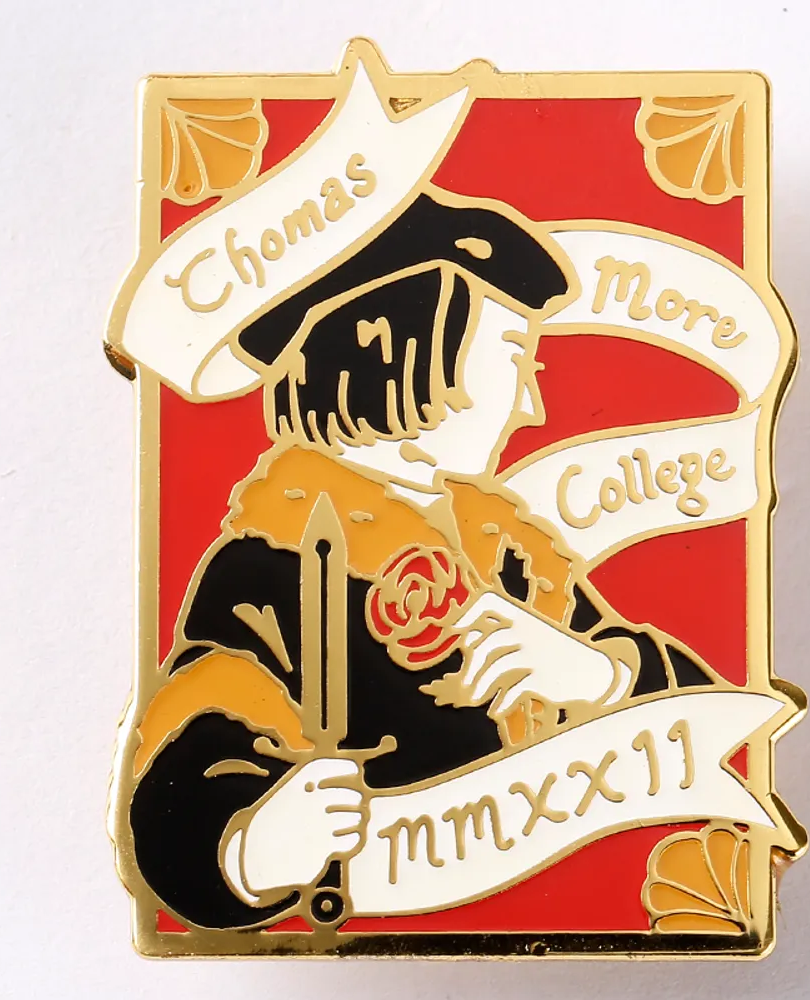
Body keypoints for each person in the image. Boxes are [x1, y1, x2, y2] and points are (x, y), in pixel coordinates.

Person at [128, 186, 717, 929]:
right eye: (514, 360)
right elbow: (186, 759)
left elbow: (708, 722)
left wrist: (603, 677)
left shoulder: (513, 556)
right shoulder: (266, 567)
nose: (530, 406)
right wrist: (251, 849)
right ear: (399, 348)